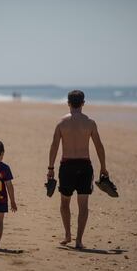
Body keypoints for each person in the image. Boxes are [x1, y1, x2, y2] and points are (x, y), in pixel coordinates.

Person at [47, 90, 108, 249]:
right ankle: (79, 240)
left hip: (66, 166)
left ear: (68, 103)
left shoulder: (61, 123)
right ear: (83, 103)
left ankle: (67, 234)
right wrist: (103, 167)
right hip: (84, 166)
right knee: (83, 205)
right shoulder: (90, 123)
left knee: (64, 203)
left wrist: (51, 167)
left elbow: (54, 146)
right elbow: (99, 146)